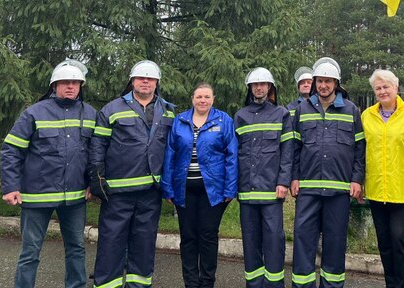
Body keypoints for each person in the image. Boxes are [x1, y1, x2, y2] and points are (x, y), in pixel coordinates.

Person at [0, 60, 96, 288]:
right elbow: (11, 150)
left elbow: (96, 153)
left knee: (76, 248)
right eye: (65, 82)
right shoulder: (34, 113)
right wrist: (11, 186)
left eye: (75, 82)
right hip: (37, 197)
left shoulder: (91, 114)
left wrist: (93, 183)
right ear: (54, 85)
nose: (70, 86)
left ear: (80, 86)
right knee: (30, 251)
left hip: (75, 197)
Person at [89, 60, 175, 288]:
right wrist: (97, 179)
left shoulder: (167, 110)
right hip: (118, 191)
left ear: (157, 82)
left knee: (144, 244)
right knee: (111, 243)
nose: (145, 81)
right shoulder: (112, 109)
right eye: (140, 78)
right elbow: (98, 145)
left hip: (151, 192)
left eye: (150, 78)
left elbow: (173, 149)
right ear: (132, 81)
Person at [290, 57, 365, 288]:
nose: (323, 85)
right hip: (308, 188)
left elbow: (360, 149)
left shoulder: (351, 110)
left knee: (335, 243)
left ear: (336, 83)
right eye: (320, 81)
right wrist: (294, 177)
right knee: (303, 240)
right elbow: (294, 147)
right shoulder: (302, 109)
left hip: (339, 189)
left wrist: (357, 179)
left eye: (328, 81)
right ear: (314, 83)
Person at [161, 83, 238, 288]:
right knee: (188, 237)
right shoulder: (180, 121)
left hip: (213, 190)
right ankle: (191, 283)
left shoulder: (224, 120)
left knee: (208, 236)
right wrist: (167, 187)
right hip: (184, 189)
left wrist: (230, 188)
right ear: (192, 99)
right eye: (199, 97)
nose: (202, 100)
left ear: (213, 99)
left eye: (206, 97)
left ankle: (206, 282)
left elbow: (232, 156)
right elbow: (170, 155)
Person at [361, 69, 404, 288]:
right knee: (384, 244)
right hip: (376, 190)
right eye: (378, 88)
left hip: (403, 190)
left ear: (396, 88)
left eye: (386, 87)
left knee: (400, 240)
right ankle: (391, 284)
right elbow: (361, 152)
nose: (382, 91)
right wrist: (360, 183)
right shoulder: (367, 116)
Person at [235, 68, 293, 287]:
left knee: (274, 242)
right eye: (255, 84)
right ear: (250, 88)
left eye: (263, 84)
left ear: (270, 87)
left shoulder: (282, 114)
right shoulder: (240, 116)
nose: (259, 88)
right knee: (250, 243)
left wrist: (283, 182)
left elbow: (287, 152)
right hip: (246, 192)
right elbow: (234, 154)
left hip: (271, 193)